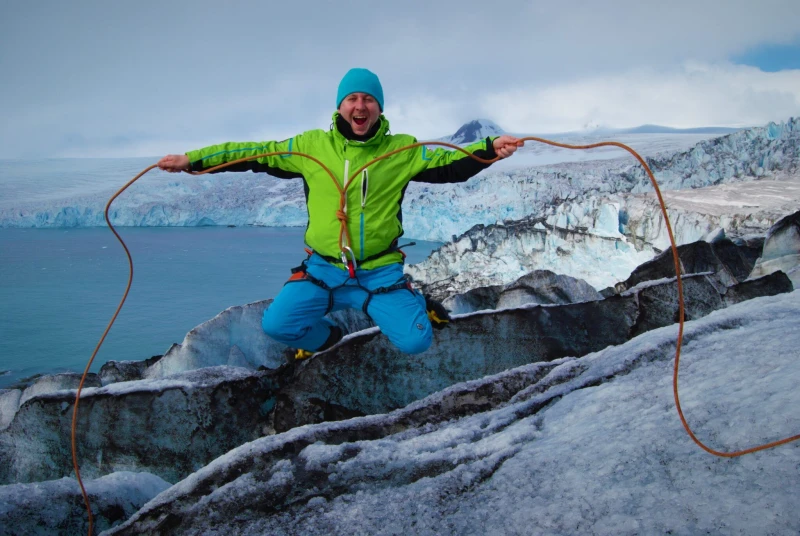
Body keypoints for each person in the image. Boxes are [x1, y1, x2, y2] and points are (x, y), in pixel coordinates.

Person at [158, 68, 523, 358]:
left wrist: (490, 148)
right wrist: (193, 159)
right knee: (277, 326)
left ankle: (414, 301)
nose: (360, 106)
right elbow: (253, 152)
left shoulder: (402, 150)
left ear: (379, 108)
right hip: (324, 269)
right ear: (340, 106)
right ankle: (328, 339)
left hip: (380, 271)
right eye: (352, 98)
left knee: (416, 343)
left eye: (368, 99)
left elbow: (449, 162)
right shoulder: (310, 147)